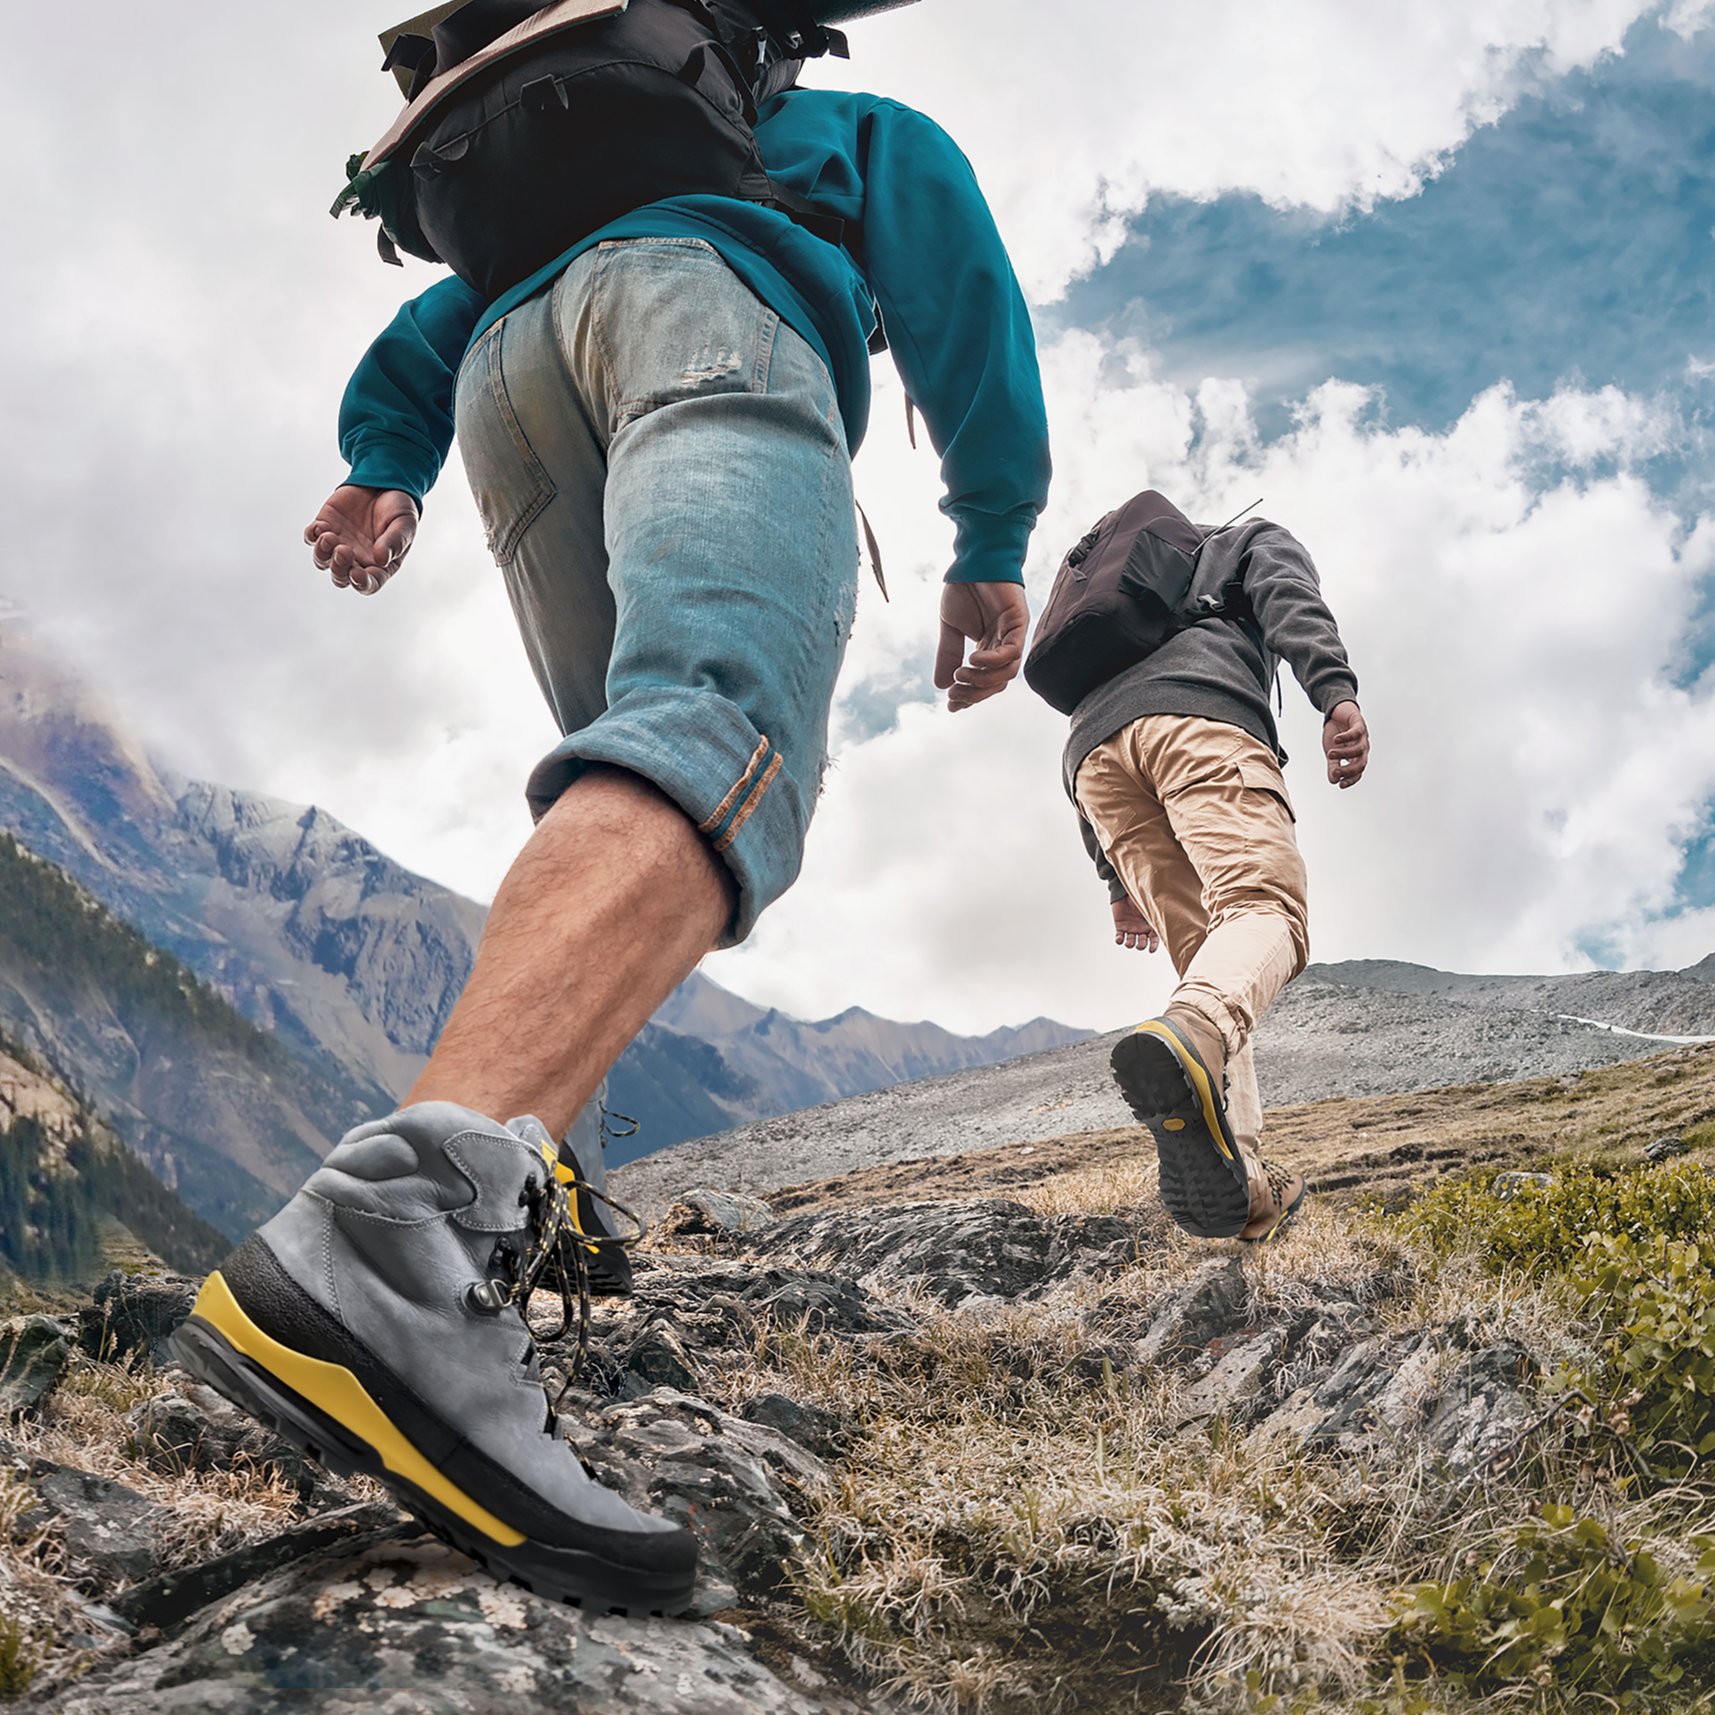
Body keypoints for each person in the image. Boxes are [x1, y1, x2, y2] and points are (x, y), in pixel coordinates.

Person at [169, 22, 1049, 1617]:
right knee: (705, 737)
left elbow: (428, 331)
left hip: (512, 384)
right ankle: (401, 1238)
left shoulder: (529, 182)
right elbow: (950, 269)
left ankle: (507, 1203)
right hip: (704, 325)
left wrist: (384, 468)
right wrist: (990, 529)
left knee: (619, 761)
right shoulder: (802, 126)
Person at [1065, 502, 1367, 1245]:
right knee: (1265, 913)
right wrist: (1334, 694)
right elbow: (1290, 601)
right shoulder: (1248, 540)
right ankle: (1196, 1036)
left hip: (1094, 766)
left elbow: (1089, 710)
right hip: (1199, 723)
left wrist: (1113, 880)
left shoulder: (1111, 598)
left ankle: (1248, 1191)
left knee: (1213, 966)